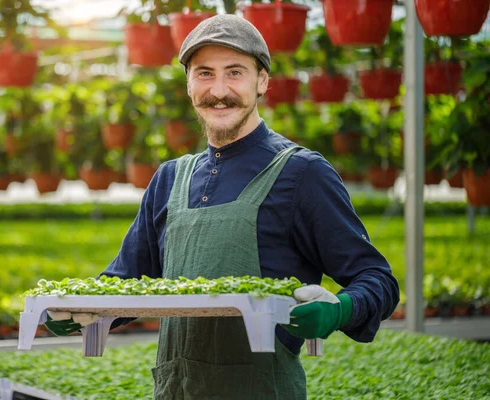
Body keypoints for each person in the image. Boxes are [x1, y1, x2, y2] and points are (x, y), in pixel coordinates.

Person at [45, 14, 400, 399]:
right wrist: (80, 309)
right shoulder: (169, 179)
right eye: (204, 74)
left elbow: (377, 279)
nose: (218, 90)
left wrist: (340, 310)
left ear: (262, 80)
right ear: (188, 84)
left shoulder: (301, 173)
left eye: (234, 73)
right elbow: (128, 280)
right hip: (175, 390)